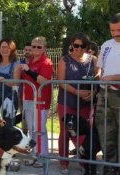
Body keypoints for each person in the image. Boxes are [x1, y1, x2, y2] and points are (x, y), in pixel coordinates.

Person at [56, 33, 99, 174]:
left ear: (87, 47)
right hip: (67, 101)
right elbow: (61, 82)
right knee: (65, 132)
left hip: (86, 103)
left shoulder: (93, 60)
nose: (79, 48)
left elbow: (98, 79)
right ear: (72, 45)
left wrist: (93, 93)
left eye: (82, 46)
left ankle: (83, 161)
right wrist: (76, 91)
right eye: (76, 45)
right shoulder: (64, 60)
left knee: (84, 133)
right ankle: (63, 162)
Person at [16, 36, 53, 168]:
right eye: (33, 46)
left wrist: (28, 70)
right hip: (28, 99)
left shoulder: (46, 62)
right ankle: (35, 155)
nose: (35, 49)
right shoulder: (29, 61)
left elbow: (44, 81)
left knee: (40, 129)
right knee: (32, 130)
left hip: (41, 101)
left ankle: (43, 157)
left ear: (44, 48)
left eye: (39, 46)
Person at [96, 13, 120, 175]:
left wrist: (114, 78)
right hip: (104, 94)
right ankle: (110, 167)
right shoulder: (106, 45)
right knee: (105, 132)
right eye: (112, 30)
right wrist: (97, 77)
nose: (116, 33)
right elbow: (101, 68)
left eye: (118, 29)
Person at [0, 38, 20, 126]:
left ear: (12, 50)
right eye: (2, 47)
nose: (4, 50)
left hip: (10, 100)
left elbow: (16, 82)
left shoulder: (16, 64)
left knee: (8, 127)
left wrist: (3, 80)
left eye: (7, 48)